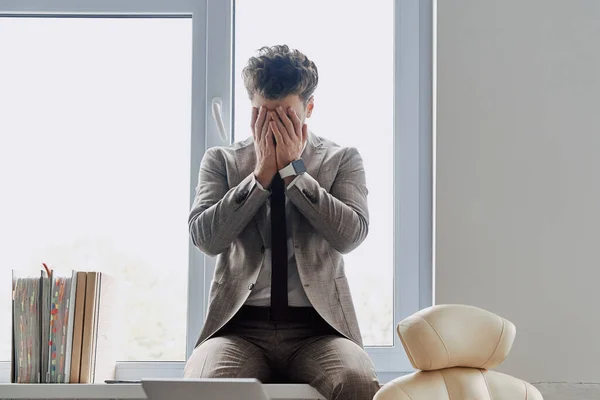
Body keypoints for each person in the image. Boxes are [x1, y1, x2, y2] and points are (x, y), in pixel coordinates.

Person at [184, 44, 380, 400]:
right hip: (239, 329)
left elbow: (350, 236)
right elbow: (206, 239)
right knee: (206, 382)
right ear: (251, 110)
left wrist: (294, 173)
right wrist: (259, 176)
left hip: (320, 330)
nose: (273, 125)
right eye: (263, 113)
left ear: (309, 109)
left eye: (286, 114)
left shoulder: (342, 159)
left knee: (356, 380)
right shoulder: (222, 161)